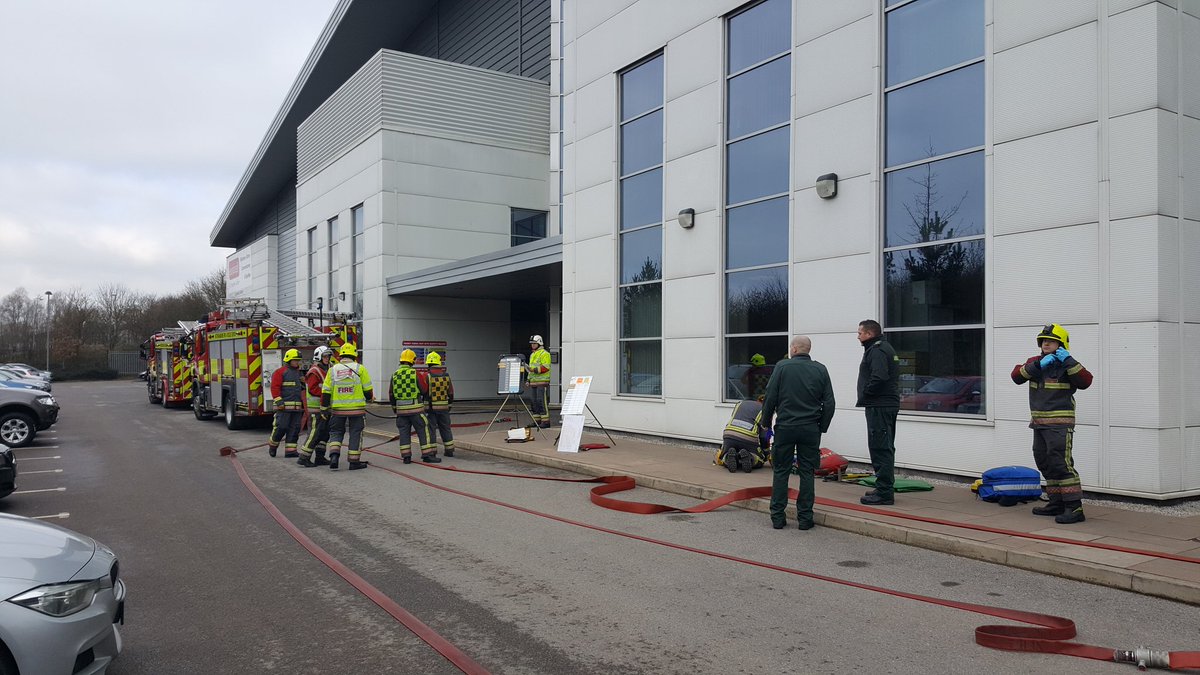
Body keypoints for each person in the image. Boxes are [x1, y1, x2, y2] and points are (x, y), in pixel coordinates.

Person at [1011, 323, 1094, 524]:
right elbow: (1016, 377)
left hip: (1059, 425)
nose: (1046, 344)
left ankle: (1074, 507)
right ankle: (1056, 503)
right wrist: (1038, 365)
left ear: (1061, 345)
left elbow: (1085, 381)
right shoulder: (1035, 362)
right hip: (1039, 423)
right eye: (1043, 341)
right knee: (1044, 461)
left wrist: (1068, 361)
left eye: (1051, 341)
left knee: (1061, 464)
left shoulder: (1067, 365)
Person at [761, 336, 835, 530]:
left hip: (785, 427)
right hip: (810, 428)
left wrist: (765, 423)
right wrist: (822, 426)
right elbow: (829, 402)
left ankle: (778, 517)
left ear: (794, 349)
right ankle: (805, 519)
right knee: (807, 472)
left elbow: (770, 397)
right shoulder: (820, 369)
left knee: (781, 471)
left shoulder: (782, 367)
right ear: (808, 350)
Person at [856, 319, 900, 506]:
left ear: (869, 334)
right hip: (885, 404)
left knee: (880, 447)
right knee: (884, 446)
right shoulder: (884, 348)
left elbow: (879, 376)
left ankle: (884, 493)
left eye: (860, 333)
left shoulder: (877, 350)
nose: (858, 336)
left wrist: (867, 393)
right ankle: (883, 487)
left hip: (879, 405)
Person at [320, 343, 373, 471]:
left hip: (338, 410)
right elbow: (368, 390)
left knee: (336, 432)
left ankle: (334, 457)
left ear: (341, 355)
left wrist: (324, 408)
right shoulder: (360, 369)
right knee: (355, 433)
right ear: (354, 355)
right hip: (357, 410)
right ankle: (354, 462)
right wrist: (369, 398)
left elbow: (326, 391)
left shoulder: (332, 370)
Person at [390, 349, 438, 464]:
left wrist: (395, 409)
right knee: (423, 430)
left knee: (404, 433)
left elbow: (391, 394)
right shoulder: (415, 373)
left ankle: (406, 457)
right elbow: (424, 389)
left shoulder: (394, 375)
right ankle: (427, 455)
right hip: (416, 410)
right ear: (412, 360)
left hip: (401, 412)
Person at [297, 346, 334, 467]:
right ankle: (304, 457)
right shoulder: (314, 371)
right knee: (314, 433)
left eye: (328, 356)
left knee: (324, 434)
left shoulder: (329, 369)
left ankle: (320, 457)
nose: (327, 358)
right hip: (316, 409)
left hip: (326, 408)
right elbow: (313, 389)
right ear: (319, 357)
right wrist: (327, 394)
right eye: (325, 356)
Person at [267, 349, 306, 458]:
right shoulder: (280, 372)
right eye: (295, 360)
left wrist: (304, 382)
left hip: (296, 408)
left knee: (295, 429)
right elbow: (275, 387)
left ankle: (290, 451)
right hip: (283, 407)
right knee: (281, 427)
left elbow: (302, 389)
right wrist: (279, 402)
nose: (297, 362)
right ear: (288, 360)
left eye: (298, 360)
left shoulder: (299, 373)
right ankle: (273, 445)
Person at [418, 350, 455, 458]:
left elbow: (423, 391)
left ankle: (433, 451)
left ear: (428, 363)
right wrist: (449, 405)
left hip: (431, 409)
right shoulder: (446, 375)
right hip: (444, 408)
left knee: (431, 430)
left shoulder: (427, 375)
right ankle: (449, 450)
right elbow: (451, 392)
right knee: (446, 428)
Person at [717, 398, 769, 473]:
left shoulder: (740, 403)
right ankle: (750, 457)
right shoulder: (765, 410)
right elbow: (764, 436)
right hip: (748, 436)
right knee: (760, 459)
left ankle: (728, 456)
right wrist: (766, 452)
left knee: (723, 456)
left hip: (729, 433)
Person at [525, 334, 552, 428]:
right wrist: (528, 379)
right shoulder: (532, 354)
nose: (532, 345)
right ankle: (537, 421)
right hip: (533, 382)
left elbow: (546, 367)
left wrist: (534, 370)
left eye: (534, 343)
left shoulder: (545, 354)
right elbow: (530, 369)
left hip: (542, 382)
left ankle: (546, 421)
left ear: (539, 343)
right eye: (531, 343)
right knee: (533, 402)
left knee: (541, 401)